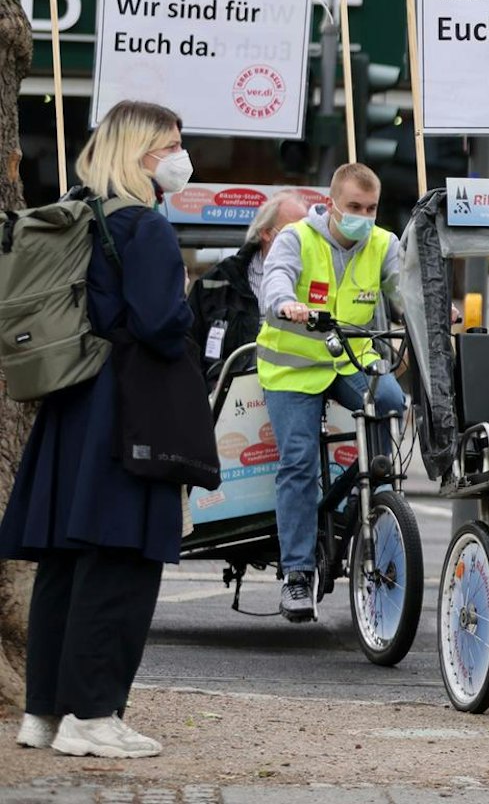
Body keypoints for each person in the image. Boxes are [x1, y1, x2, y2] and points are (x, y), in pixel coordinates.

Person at [0, 101, 192, 758]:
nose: (179, 155)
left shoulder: (81, 216)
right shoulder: (147, 229)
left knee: (65, 562)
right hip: (129, 410)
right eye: (171, 143)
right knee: (122, 561)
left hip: (74, 405)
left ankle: (45, 715)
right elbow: (162, 324)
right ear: (142, 153)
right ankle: (95, 716)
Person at [256, 162, 407, 623]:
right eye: (354, 207)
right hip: (293, 368)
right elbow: (275, 278)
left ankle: (379, 498)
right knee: (299, 460)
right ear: (332, 204)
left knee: (391, 401)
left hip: (347, 360)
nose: (364, 216)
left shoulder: (383, 244)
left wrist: (437, 314)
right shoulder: (297, 237)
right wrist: (285, 303)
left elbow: (406, 294)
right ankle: (297, 575)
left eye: (372, 208)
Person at [187, 190, 310, 383]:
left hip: (298, 386)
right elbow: (190, 347)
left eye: (307, 234)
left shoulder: (319, 277)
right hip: (230, 392)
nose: (299, 240)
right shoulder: (219, 281)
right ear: (266, 232)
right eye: (291, 232)